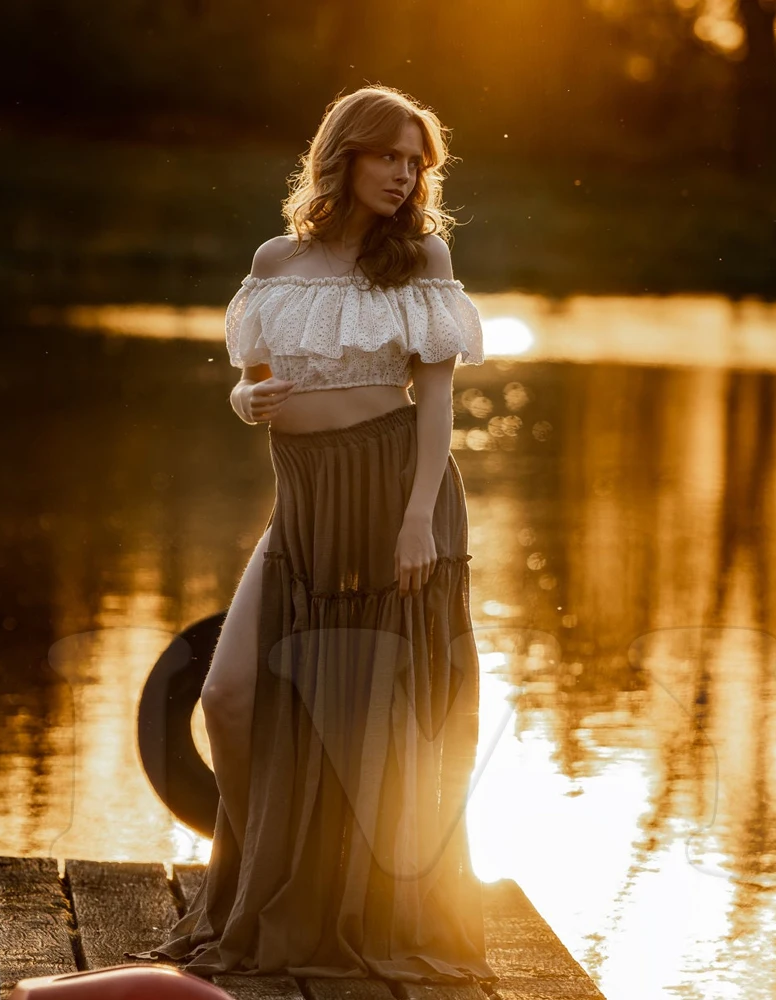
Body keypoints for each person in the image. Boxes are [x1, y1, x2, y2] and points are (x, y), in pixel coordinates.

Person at [125, 85, 497, 991]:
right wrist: (243, 399)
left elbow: (437, 402)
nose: (406, 176)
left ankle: (352, 903)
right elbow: (253, 384)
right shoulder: (276, 259)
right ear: (345, 156)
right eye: (390, 157)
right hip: (301, 504)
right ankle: (261, 887)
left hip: (390, 492)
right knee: (232, 697)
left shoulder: (422, 258)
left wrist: (416, 523)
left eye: (417, 162)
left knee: (369, 719)